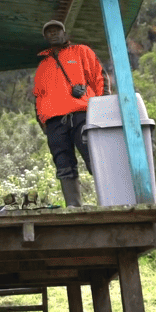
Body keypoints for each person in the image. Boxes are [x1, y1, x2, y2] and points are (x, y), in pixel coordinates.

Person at [33, 19, 105, 207]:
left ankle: (110, 202)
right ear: (45, 37)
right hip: (55, 122)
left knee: (95, 158)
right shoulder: (42, 67)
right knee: (63, 164)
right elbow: (38, 97)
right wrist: (44, 123)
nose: (53, 33)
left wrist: (103, 108)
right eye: (49, 32)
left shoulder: (82, 51)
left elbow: (99, 77)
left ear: (65, 34)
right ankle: (73, 206)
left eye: (57, 30)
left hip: (82, 115)